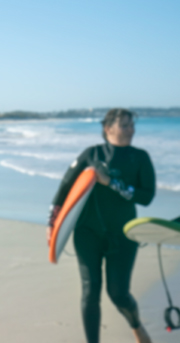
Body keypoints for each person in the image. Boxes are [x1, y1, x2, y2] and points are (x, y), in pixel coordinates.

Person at [47, 108, 155, 343]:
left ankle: (136, 325)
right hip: (87, 233)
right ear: (108, 129)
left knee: (119, 294)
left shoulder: (140, 157)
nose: (130, 130)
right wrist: (51, 223)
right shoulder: (91, 154)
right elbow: (64, 189)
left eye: (132, 125)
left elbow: (147, 197)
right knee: (90, 290)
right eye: (125, 125)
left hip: (124, 235)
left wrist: (112, 183)